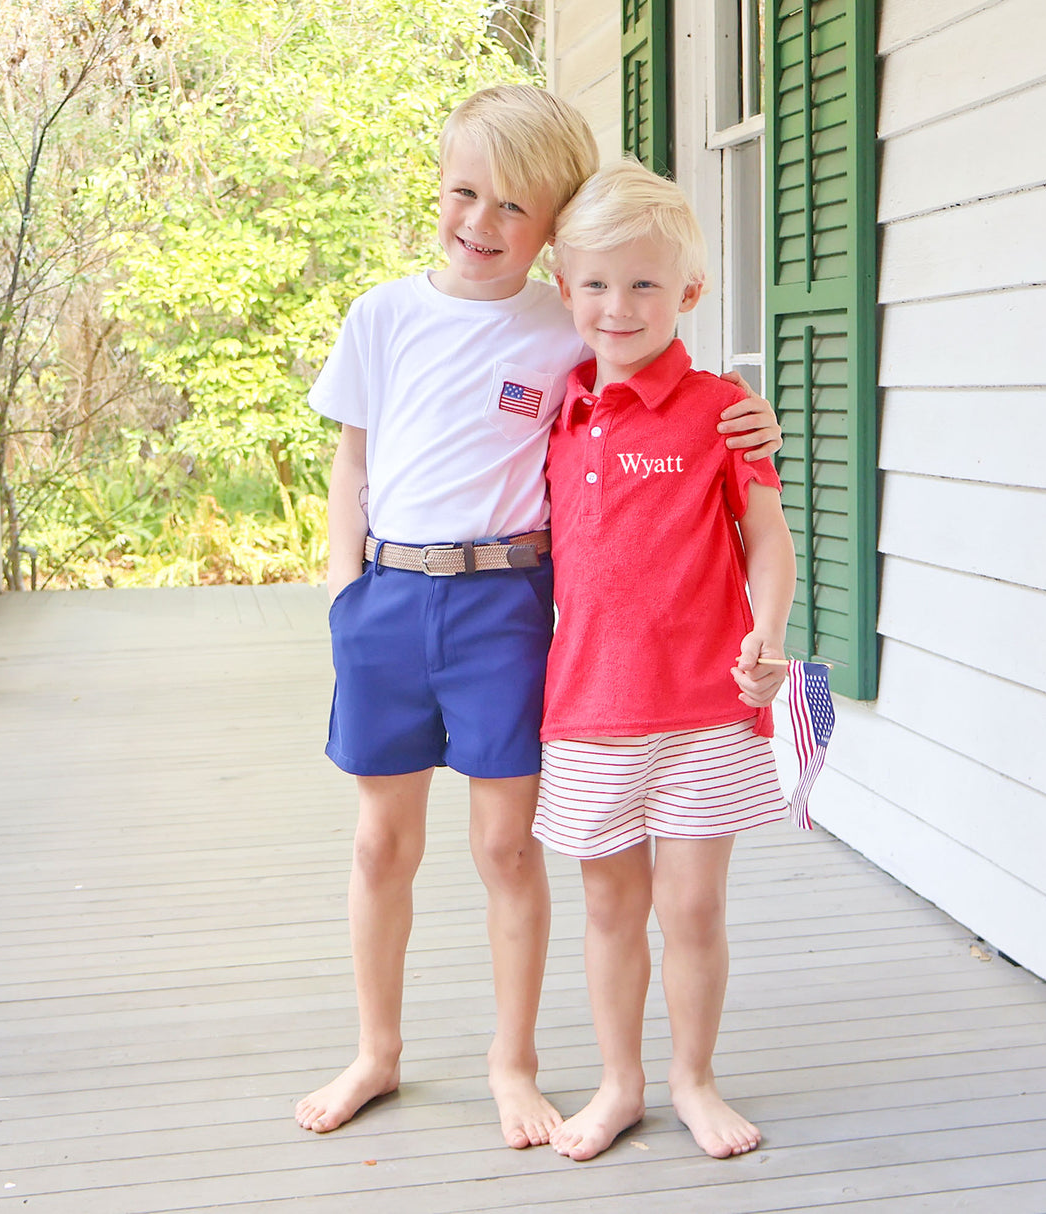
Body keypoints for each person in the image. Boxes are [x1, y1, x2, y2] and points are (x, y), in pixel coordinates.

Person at [295, 86, 783, 1150]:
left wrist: (751, 418)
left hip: (506, 606)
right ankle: (376, 1049)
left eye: (514, 206)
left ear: (553, 228)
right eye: (464, 192)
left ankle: (510, 1060)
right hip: (387, 597)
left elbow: (654, 363)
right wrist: (342, 593)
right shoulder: (383, 315)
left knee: (507, 847)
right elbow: (351, 463)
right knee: (380, 842)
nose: (480, 222)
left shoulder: (562, 325)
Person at [532, 160, 798, 1162]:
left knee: (691, 905)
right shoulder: (550, 409)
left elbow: (766, 538)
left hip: (704, 710)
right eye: (597, 283)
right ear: (564, 287)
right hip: (589, 708)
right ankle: (620, 1082)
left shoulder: (722, 409)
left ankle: (693, 1076)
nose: (619, 306)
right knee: (609, 905)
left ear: (689, 290)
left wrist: (767, 632)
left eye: (645, 283)